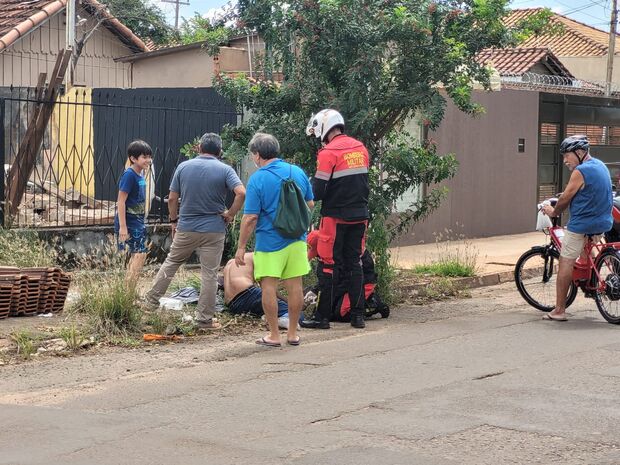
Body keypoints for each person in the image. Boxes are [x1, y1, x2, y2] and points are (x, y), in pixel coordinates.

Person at [144, 133, 246, 331]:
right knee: (209, 274)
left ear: (199, 148)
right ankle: (204, 320)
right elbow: (241, 192)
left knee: (172, 262)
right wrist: (230, 213)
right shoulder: (225, 169)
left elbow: (172, 199)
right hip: (214, 229)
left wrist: (174, 220)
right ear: (220, 151)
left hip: (187, 226)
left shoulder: (184, 167)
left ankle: (150, 304)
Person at [235, 133, 314, 347]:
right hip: (297, 240)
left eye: (253, 154)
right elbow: (311, 204)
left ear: (258, 155)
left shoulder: (258, 179)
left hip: (270, 242)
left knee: (269, 288)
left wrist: (241, 246)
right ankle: (292, 334)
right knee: (295, 286)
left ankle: (273, 335)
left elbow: (250, 217)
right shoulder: (296, 172)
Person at [302, 109, 370, 329]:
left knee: (327, 265)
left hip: (335, 217)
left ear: (323, 127)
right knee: (355, 263)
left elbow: (318, 191)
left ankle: (323, 318)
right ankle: (358, 317)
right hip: (360, 215)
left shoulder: (328, 153)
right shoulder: (360, 148)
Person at [542, 135, 613, 321]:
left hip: (582, 225)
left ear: (580, 153)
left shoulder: (580, 171)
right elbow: (587, 191)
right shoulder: (600, 165)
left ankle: (559, 310)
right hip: (603, 223)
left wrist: (553, 211)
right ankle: (591, 284)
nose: (565, 161)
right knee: (586, 253)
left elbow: (565, 199)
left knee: (565, 261)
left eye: (567, 156)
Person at [223, 252, 299, 329]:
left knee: (268, 307)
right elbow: (267, 288)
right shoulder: (257, 256)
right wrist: (287, 301)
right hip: (247, 294)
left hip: (233, 306)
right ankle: (284, 319)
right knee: (295, 311)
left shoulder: (231, 262)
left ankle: (271, 317)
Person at [115, 140, 153, 285]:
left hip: (138, 220)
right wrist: (123, 226)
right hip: (130, 221)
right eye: (144, 157)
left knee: (138, 255)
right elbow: (121, 201)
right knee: (139, 254)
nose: (148, 160)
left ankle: (129, 290)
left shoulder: (140, 173)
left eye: (149, 156)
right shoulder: (129, 175)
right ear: (133, 158)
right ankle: (128, 290)